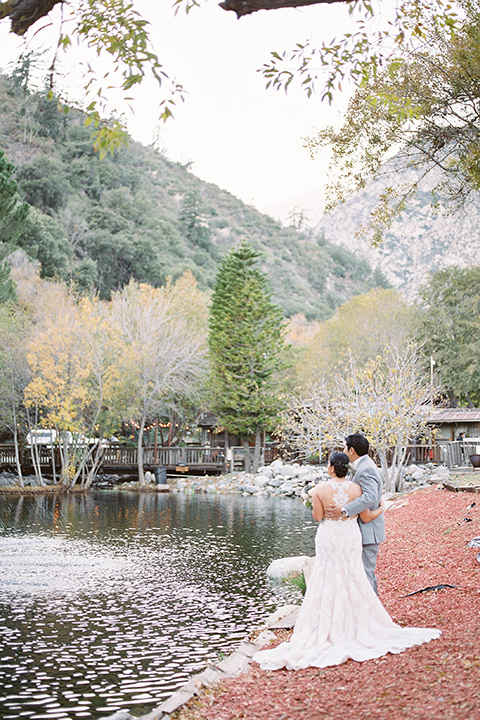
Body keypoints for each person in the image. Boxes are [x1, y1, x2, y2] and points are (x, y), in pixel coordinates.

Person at [253, 451, 440, 671]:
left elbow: (317, 517)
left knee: (326, 574)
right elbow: (365, 516)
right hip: (350, 536)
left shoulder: (319, 489)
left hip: (329, 537)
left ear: (331, 468)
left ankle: (326, 625)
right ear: (346, 468)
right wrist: (383, 507)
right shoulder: (356, 489)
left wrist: (310, 502)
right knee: (353, 574)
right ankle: (357, 623)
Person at [324, 433, 384, 594]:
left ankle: (371, 614)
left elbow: (370, 497)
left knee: (365, 574)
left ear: (351, 450)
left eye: (344, 447)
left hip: (368, 529)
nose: (343, 450)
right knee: (358, 574)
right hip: (359, 529)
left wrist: (344, 510)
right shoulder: (361, 466)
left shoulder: (366, 468)